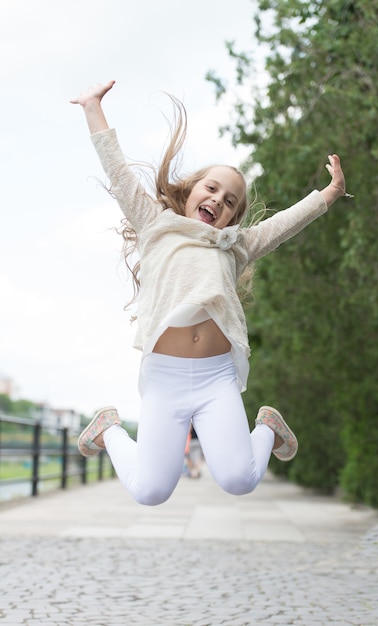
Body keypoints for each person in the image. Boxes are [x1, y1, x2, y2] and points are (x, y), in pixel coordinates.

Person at [71, 80, 350, 506]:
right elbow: (118, 172)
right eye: (212, 189)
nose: (218, 200)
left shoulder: (236, 246)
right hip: (164, 377)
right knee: (150, 490)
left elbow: (283, 225)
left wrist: (328, 195)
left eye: (231, 201)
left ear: (233, 218)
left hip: (216, 377)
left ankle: (268, 428)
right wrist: (93, 107)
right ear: (191, 191)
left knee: (240, 479)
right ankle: (108, 428)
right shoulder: (155, 224)